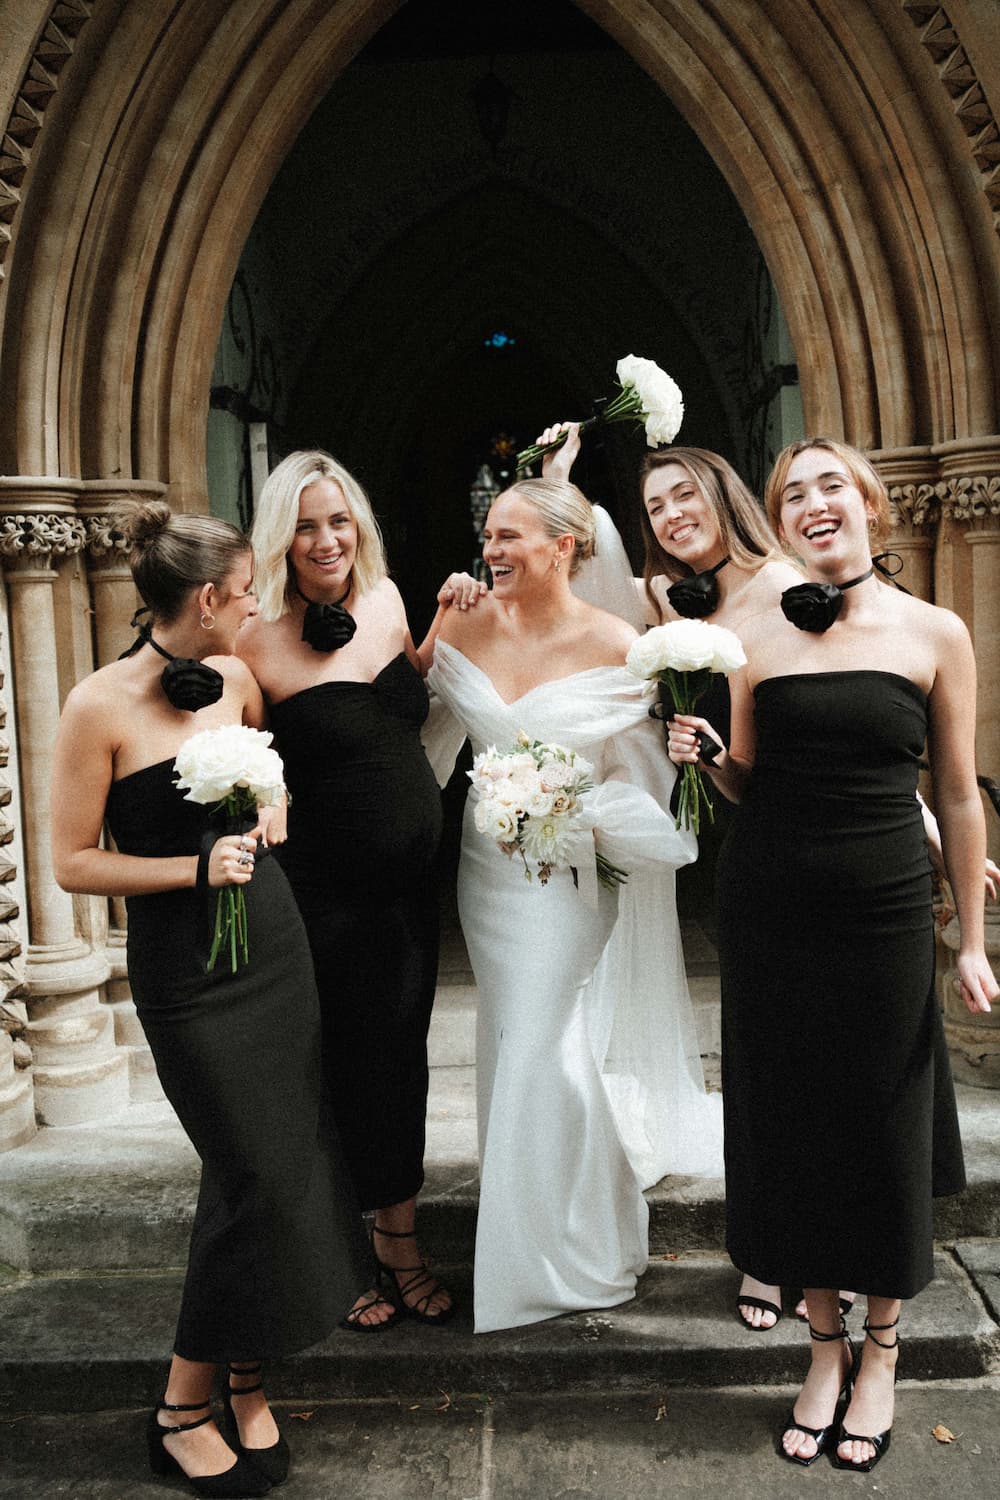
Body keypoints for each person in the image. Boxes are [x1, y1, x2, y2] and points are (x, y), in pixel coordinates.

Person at [667, 437, 998, 1470]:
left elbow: (955, 794)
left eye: (830, 486)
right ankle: (822, 1349)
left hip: (885, 913)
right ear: (779, 523)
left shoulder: (936, 631)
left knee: (881, 1127)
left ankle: (882, 1352)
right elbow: (748, 781)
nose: (813, 503)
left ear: (869, 504)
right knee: (793, 1126)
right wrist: (709, 760)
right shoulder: (744, 632)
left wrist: (970, 940)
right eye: (792, 495)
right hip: (770, 905)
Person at [51, 501, 367, 1498]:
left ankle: (245, 1381)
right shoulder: (96, 705)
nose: (256, 608)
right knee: (250, 1174)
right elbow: (71, 862)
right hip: (186, 975)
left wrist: (270, 801)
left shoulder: (234, 679)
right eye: (244, 594)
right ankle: (180, 1410)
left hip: (272, 948)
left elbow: (264, 771)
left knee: (286, 1162)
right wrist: (191, 871)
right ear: (205, 600)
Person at [424, 474, 721, 1333]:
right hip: (486, 872)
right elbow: (417, 734)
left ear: (565, 547)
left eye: (509, 536)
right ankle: (549, 1224)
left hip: (570, 870)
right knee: (513, 1040)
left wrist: (577, 811)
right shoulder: (465, 620)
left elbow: (640, 770)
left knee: (542, 1042)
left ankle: (556, 1255)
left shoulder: (617, 640)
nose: (491, 550)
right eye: (488, 535)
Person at [238, 450, 479, 1331]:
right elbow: (237, 754)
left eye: (338, 520)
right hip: (321, 896)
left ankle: (399, 1239)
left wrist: (447, 619)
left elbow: (404, 697)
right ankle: (339, 1255)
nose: (326, 539)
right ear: (280, 538)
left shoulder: (383, 600)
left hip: (407, 894)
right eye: (305, 526)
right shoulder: (252, 635)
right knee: (339, 1068)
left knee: (401, 1061)